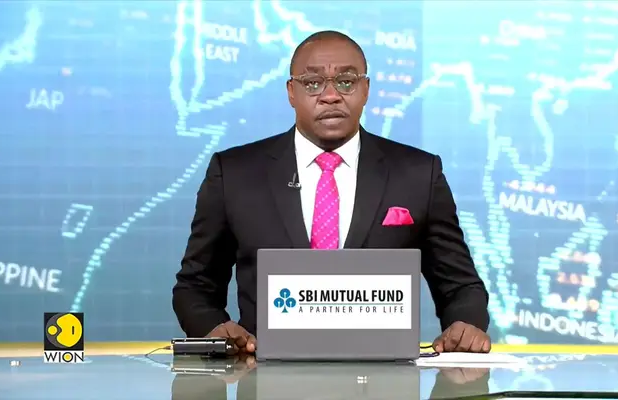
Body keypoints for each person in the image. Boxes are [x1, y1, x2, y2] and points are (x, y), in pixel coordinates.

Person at [172, 30, 491, 354]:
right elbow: (195, 286)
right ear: (291, 92)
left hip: (384, 375)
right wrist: (215, 331)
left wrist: (465, 325)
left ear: (366, 89)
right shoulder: (235, 174)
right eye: (312, 83)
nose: (330, 96)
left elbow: (461, 286)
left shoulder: (419, 174)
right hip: (265, 373)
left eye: (346, 82)